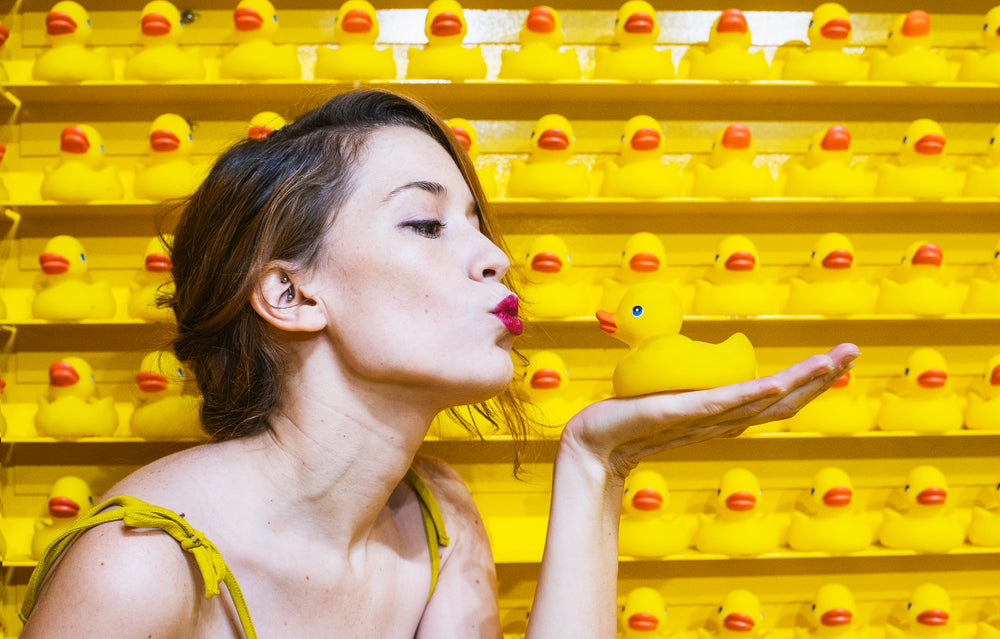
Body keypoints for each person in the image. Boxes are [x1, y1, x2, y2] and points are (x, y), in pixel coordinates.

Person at [19, 89, 858, 638]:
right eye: (427, 224)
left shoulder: (437, 517)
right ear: (291, 293)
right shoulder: (134, 569)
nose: (494, 255)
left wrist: (599, 460)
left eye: (478, 222)